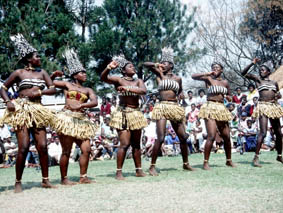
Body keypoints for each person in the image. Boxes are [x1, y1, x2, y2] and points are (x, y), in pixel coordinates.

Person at [0, 34, 56, 192]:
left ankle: (45, 180)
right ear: (29, 59)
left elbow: (52, 88)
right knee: (23, 147)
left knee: (43, 146)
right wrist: (8, 102)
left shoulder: (42, 73)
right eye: (37, 56)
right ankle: (18, 181)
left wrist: (39, 92)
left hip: (38, 111)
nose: (40, 58)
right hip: (22, 110)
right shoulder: (19, 73)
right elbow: (2, 89)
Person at [143, 47, 195, 176]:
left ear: (171, 65)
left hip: (174, 107)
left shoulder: (178, 79)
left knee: (183, 136)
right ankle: (152, 166)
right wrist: (157, 64)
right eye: (161, 63)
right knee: (160, 138)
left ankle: (186, 163)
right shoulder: (159, 74)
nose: (162, 65)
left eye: (165, 63)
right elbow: (145, 65)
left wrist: (182, 95)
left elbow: (180, 90)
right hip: (162, 106)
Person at [50, 48, 98, 184]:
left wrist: (82, 106)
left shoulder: (88, 90)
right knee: (66, 150)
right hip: (67, 118)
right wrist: (53, 75)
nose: (85, 74)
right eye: (82, 73)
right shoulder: (66, 84)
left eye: (85, 72)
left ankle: (83, 177)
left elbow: (94, 102)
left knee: (86, 149)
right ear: (75, 75)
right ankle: (64, 179)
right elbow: (49, 82)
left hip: (81, 120)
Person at [101, 54, 147, 180]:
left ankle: (138, 170)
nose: (133, 68)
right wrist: (108, 67)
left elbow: (143, 91)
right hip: (123, 113)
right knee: (125, 144)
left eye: (133, 66)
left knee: (137, 144)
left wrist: (127, 88)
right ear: (123, 70)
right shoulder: (118, 80)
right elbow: (103, 78)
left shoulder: (138, 81)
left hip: (136, 113)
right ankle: (119, 172)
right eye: (130, 66)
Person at [192, 62, 235, 170]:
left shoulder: (225, 82)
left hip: (221, 108)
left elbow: (229, 95)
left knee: (226, 136)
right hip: (210, 107)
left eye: (217, 68)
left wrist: (229, 98)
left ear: (222, 70)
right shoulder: (208, 79)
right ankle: (206, 162)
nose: (215, 69)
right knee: (211, 135)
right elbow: (194, 76)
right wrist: (207, 73)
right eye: (213, 68)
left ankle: (229, 160)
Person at [241, 58, 283, 167]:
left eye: (263, 70)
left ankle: (279, 155)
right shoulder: (258, 80)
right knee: (263, 132)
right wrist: (252, 63)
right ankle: (256, 157)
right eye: (260, 70)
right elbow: (243, 73)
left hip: (273, 106)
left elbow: (278, 95)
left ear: (268, 72)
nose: (261, 71)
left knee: (278, 132)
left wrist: (277, 96)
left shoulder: (274, 82)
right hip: (263, 106)